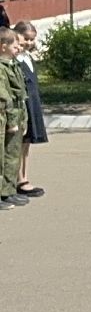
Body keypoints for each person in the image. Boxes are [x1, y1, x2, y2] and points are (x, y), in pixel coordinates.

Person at [12, 21, 47, 197]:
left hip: (31, 104)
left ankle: (23, 177)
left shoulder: (28, 58)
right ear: (15, 35)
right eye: (25, 38)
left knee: (26, 144)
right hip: (20, 107)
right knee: (16, 145)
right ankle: (16, 180)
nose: (28, 42)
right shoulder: (13, 60)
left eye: (32, 39)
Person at [0, 29, 27, 209]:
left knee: (12, 155)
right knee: (2, 157)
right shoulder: (1, 68)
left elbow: (21, 94)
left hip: (16, 115)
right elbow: (4, 96)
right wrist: (11, 121)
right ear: (3, 47)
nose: (18, 48)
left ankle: (8, 191)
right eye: (14, 46)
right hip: (5, 116)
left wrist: (22, 119)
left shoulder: (12, 65)